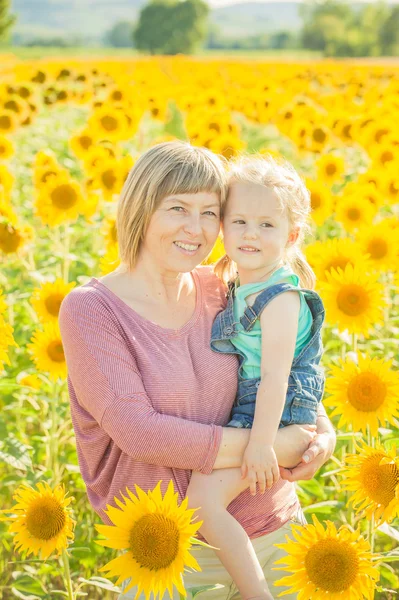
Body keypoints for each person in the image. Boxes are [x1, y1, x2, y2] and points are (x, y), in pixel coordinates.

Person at [58, 141, 336, 600]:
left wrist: (320, 430)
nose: (197, 228)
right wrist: (279, 444)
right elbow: (140, 433)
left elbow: (279, 366)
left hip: (277, 535)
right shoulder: (92, 311)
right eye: (179, 208)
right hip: (168, 558)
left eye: (210, 212)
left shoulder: (224, 287)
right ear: (141, 208)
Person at [186, 155, 325, 600]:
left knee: (202, 503)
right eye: (240, 220)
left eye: (267, 225)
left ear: (293, 235)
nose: (250, 233)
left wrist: (263, 443)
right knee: (203, 502)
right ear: (223, 226)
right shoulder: (240, 283)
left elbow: (276, 379)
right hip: (261, 411)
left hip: (273, 414)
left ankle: (256, 593)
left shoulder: (280, 297)